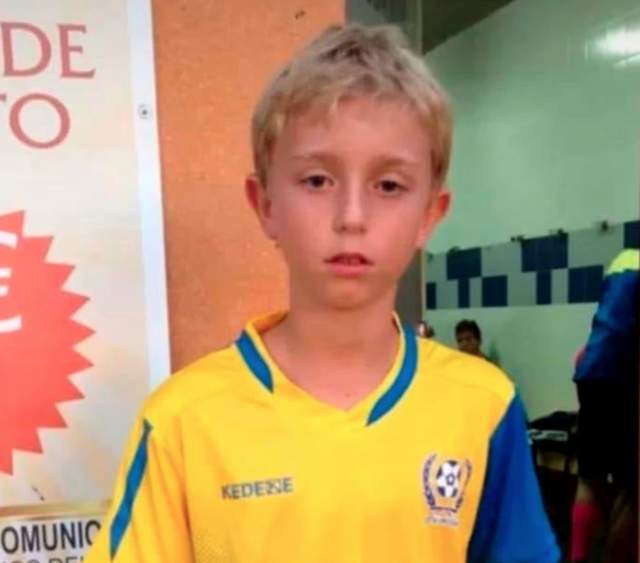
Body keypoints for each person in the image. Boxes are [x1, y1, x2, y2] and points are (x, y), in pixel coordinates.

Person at [85, 25, 558, 562]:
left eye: (389, 186)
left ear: (430, 214)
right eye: (317, 181)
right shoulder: (183, 421)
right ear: (265, 204)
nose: (352, 216)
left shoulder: (483, 404)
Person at [570, 249, 639, 563]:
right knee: (632, 488)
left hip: (590, 373)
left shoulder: (623, 260)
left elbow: (605, 329)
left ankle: (578, 557)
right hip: (624, 378)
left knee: (588, 478)